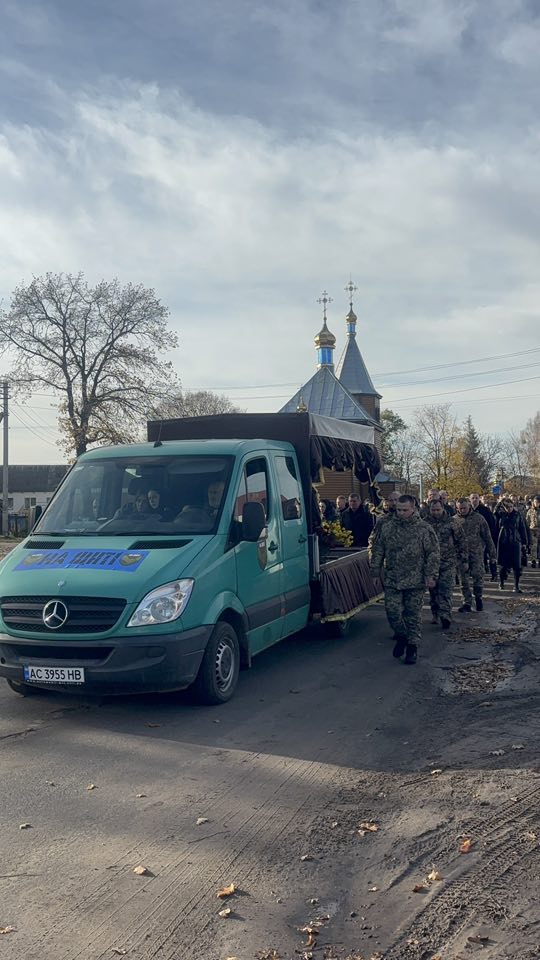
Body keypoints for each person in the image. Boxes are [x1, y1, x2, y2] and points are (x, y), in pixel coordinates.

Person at [369, 494, 440, 665]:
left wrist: (431, 575)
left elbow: (433, 553)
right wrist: (375, 572)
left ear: (413, 508)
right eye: (399, 510)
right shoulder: (387, 527)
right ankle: (402, 635)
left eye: (405, 510)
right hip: (393, 578)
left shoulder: (424, 529)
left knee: (412, 615)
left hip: (415, 580)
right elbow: (378, 549)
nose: (401, 513)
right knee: (392, 611)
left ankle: (412, 647)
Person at [425, 499, 467, 630]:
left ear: (443, 509)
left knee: (446, 590)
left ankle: (445, 615)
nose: (436, 512)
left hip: (448, 562)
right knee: (433, 591)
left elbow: (462, 541)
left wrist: (463, 559)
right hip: (431, 564)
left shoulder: (452, 523)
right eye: (433, 510)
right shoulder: (425, 524)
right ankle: (435, 613)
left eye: (438, 509)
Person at [454, 497, 496, 612]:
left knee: (478, 577)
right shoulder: (454, 521)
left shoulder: (478, 518)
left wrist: (492, 555)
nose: (463, 510)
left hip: (476, 553)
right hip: (461, 555)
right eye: (460, 508)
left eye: (464, 508)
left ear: (469, 506)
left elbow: (487, 537)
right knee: (463, 580)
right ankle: (466, 602)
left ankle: (478, 598)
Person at [496, 498, 530, 592]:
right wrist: (500, 502)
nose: (509, 508)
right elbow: (495, 514)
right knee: (503, 565)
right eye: (507, 507)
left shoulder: (517, 515)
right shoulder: (501, 514)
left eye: (511, 506)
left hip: (515, 541)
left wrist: (524, 542)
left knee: (517, 565)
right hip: (504, 541)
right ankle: (501, 582)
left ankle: (516, 586)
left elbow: (522, 528)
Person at [526, 495, 540, 567]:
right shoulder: (530, 511)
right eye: (535, 502)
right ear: (533, 502)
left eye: (538, 502)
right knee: (533, 547)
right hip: (533, 530)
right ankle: (533, 561)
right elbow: (527, 521)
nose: (537, 503)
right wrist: (528, 529)